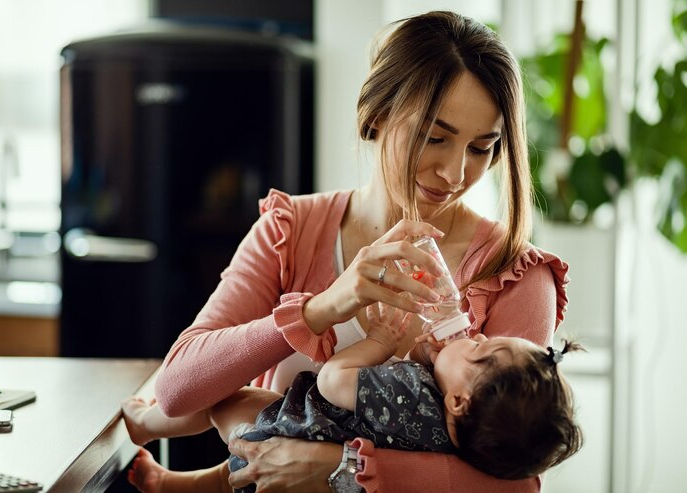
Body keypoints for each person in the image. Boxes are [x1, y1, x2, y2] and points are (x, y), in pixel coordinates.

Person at [132, 9, 571, 493]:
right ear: (378, 114)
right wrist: (321, 309)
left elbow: (517, 485)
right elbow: (176, 392)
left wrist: (338, 468)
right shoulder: (290, 231)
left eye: (481, 148)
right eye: (435, 138)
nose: (455, 172)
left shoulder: (516, 273)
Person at [123, 302, 582, 492]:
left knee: (224, 398)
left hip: (277, 432)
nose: (476, 336)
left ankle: (149, 424)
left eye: (480, 350)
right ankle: (171, 484)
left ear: (460, 401)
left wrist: (382, 343)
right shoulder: (457, 437)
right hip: (307, 477)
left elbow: (333, 382)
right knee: (234, 477)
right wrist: (425, 356)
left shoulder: (411, 392)